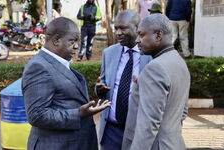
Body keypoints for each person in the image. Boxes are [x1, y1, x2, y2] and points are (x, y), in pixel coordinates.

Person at [22, 17, 111, 150]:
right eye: (73, 41)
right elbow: (37, 115)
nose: (76, 46)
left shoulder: (58, 62)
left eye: (77, 41)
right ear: (56, 40)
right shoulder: (39, 67)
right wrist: (78, 113)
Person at [122, 14, 190, 150]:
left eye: (141, 35)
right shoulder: (179, 61)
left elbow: (148, 125)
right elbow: (183, 112)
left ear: (158, 35)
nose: (137, 40)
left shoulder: (155, 68)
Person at [95, 10, 152, 150]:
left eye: (123, 28)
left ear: (137, 28)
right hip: (111, 131)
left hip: (139, 131)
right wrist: (99, 90)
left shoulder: (151, 55)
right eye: (116, 28)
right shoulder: (109, 53)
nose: (118, 33)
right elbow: (102, 84)